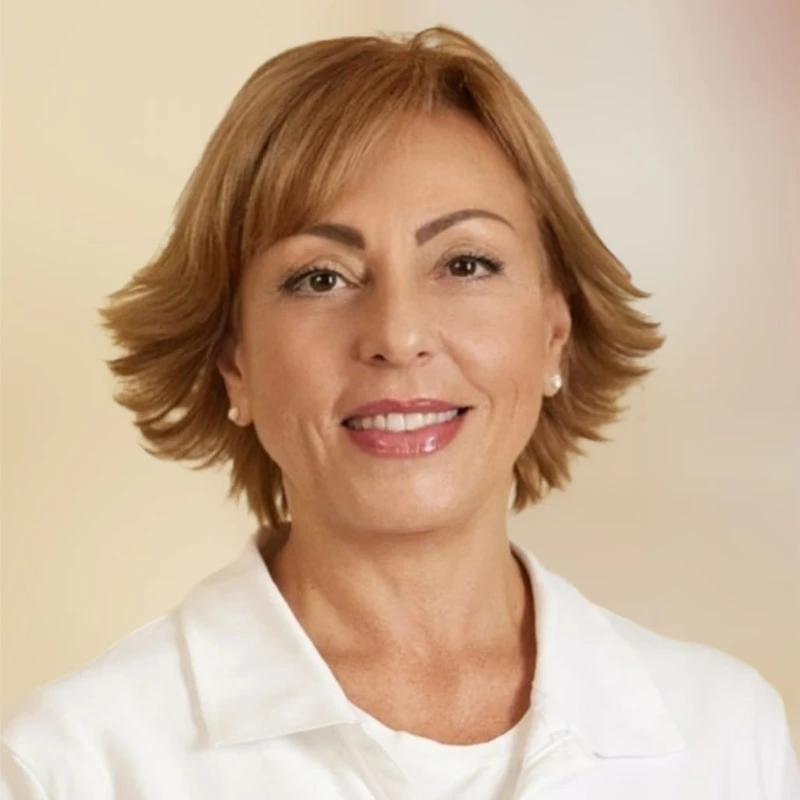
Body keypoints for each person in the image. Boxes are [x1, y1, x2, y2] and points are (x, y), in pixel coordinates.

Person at [2, 25, 797, 800]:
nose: (397, 335)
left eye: (465, 263)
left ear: (554, 333)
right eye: (321, 277)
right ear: (233, 361)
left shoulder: (727, 735)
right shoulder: (71, 766)